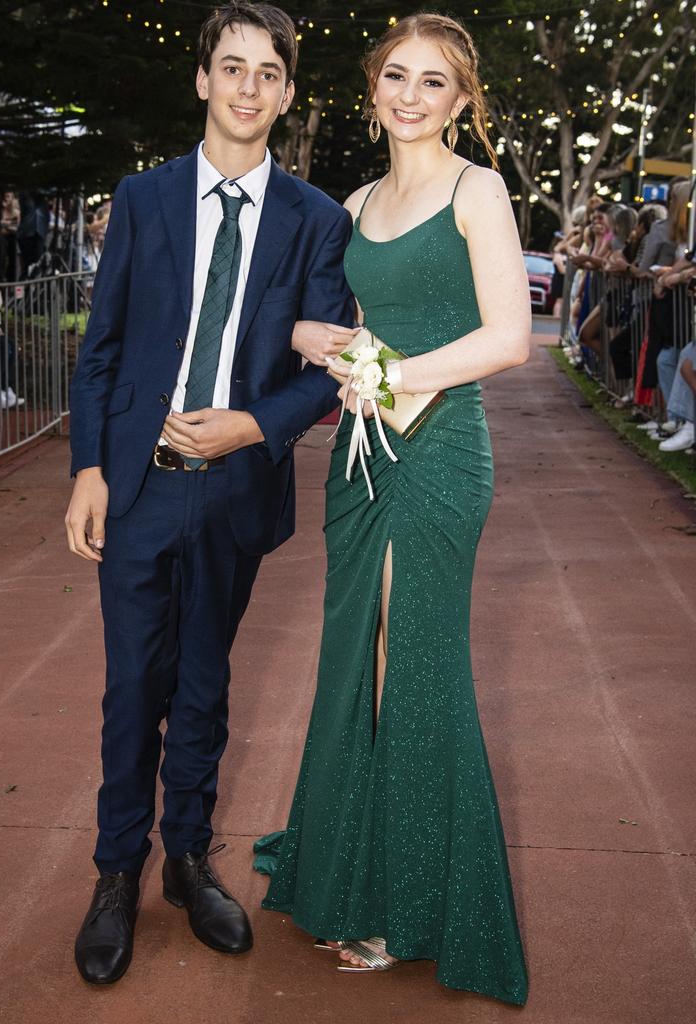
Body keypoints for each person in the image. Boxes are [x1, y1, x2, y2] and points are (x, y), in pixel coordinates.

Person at [65, 1, 355, 986]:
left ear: (285, 92)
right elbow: (99, 352)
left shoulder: (317, 221)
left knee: (202, 684)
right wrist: (92, 470)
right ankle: (117, 873)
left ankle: (187, 860)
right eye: (230, 67)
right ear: (201, 80)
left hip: (234, 489)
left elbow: (323, 369)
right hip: (141, 489)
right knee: (130, 689)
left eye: (267, 73)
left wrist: (254, 424)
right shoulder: (143, 200)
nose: (247, 88)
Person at [254, 12, 530, 1006]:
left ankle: (409, 902)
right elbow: (356, 324)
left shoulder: (477, 189)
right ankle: (347, 867)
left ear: (462, 100)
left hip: (444, 452)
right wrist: (324, 339)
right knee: (350, 655)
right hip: (362, 459)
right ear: (373, 86)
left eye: (435, 82)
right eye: (398, 77)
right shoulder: (358, 199)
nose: (411, 95)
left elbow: (509, 338)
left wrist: (399, 368)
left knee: (407, 659)